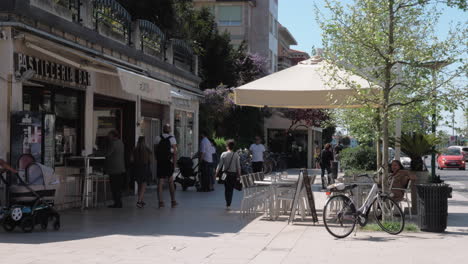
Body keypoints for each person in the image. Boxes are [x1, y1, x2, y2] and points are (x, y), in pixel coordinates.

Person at [155, 124, 178, 208]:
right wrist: (174, 165)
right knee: (170, 181)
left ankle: (160, 202)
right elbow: (175, 153)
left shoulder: (157, 138)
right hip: (169, 162)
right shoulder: (172, 139)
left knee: (160, 182)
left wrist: (157, 160)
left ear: (163, 129)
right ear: (170, 130)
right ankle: (173, 201)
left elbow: (155, 150)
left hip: (160, 162)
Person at [215, 140, 241, 210]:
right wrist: (239, 175)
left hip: (225, 175)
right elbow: (238, 166)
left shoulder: (223, 154)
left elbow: (219, 165)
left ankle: (227, 202)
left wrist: (216, 173)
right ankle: (229, 203)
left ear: (227, 146)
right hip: (233, 174)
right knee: (231, 189)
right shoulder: (236, 155)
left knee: (226, 189)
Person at [102, 130, 126, 208]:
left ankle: (117, 203)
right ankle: (119, 202)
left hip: (114, 168)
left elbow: (108, 153)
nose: (108, 137)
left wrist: (98, 152)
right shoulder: (121, 142)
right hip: (121, 168)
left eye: (109, 135)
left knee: (114, 187)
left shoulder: (113, 143)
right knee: (118, 187)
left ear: (113, 135)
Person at [131, 136, 152, 208]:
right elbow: (150, 159)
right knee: (144, 185)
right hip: (145, 168)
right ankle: (139, 201)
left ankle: (141, 201)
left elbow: (131, 160)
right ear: (144, 142)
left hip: (136, 168)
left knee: (140, 185)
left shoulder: (135, 149)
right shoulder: (147, 149)